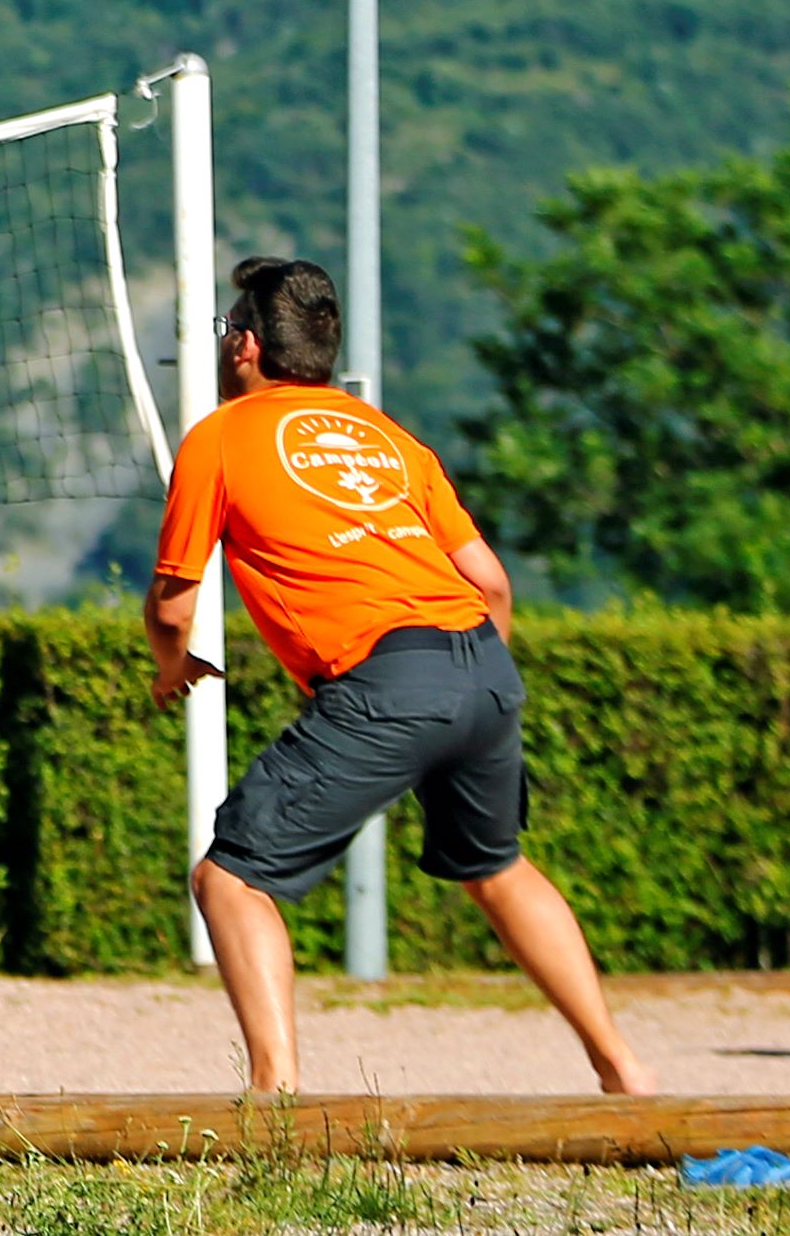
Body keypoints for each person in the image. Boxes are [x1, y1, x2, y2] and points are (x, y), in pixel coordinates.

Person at [142, 257, 653, 1099]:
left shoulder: (219, 438)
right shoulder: (391, 438)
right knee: (497, 867)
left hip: (386, 680)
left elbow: (173, 605)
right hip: (482, 665)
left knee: (229, 879)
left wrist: (172, 668)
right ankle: (623, 1068)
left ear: (244, 347)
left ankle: (275, 1098)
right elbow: (489, 581)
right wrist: (471, 690)